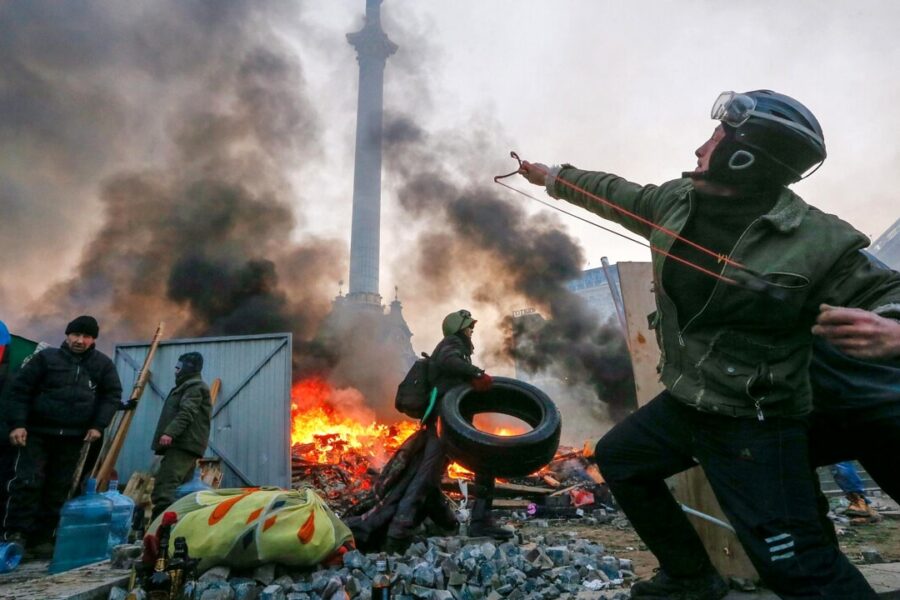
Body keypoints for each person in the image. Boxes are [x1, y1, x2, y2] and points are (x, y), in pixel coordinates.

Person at [519, 90, 900, 599]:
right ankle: (690, 577)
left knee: (799, 567)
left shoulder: (818, 239)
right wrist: (553, 177)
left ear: (745, 158)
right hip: (689, 400)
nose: (702, 147)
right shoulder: (675, 202)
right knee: (622, 458)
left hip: (757, 421)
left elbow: (887, 291)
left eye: (716, 138)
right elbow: (613, 193)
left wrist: (893, 328)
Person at [1, 315, 123, 557]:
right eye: (76, 335)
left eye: (86, 336)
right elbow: (20, 391)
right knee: (27, 483)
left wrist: (99, 425)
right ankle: (17, 535)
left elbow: (112, 395)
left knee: (59, 487)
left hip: (73, 437)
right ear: (67, 335)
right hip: (36, 434)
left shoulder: (102, 365)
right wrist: (18, 425)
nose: (80, 340)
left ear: (93, 340)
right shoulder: (45, 359)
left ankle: (44, 539)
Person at [150, 352, 211, 521]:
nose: (175, 371)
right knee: (181, 490)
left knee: (165, 489)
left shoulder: (194, 386)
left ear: (187, 369)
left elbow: (187, 411)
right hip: (184, 445)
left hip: (182, 444)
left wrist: (170, 432)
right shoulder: (187, 386)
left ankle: (159, 532)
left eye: (178, 368)